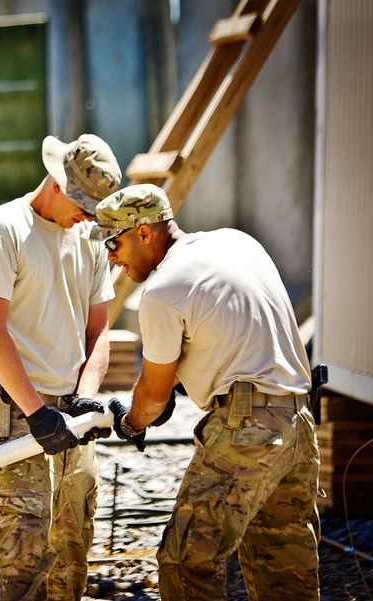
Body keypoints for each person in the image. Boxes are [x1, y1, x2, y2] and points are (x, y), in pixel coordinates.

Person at [88, 183, 320, 600]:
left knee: (185, 560)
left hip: (247, 431)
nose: (111, 256)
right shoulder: (234, 242)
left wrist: (131, 422)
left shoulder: (162, 292)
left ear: (144, 232)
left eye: (113, 241)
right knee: (283, 568)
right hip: (298, 424)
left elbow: (154, 394)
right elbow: (225, 337)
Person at [0, 133, 121, 601]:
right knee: (27, 554)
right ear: (56, 183)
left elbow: (99, 331)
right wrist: (35, 413)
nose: (87, 218)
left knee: (72, 552)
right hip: (17, 408)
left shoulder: (89, 238)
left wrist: (87, 393)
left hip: (72, 410)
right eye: (82, 206)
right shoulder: (3, 230)